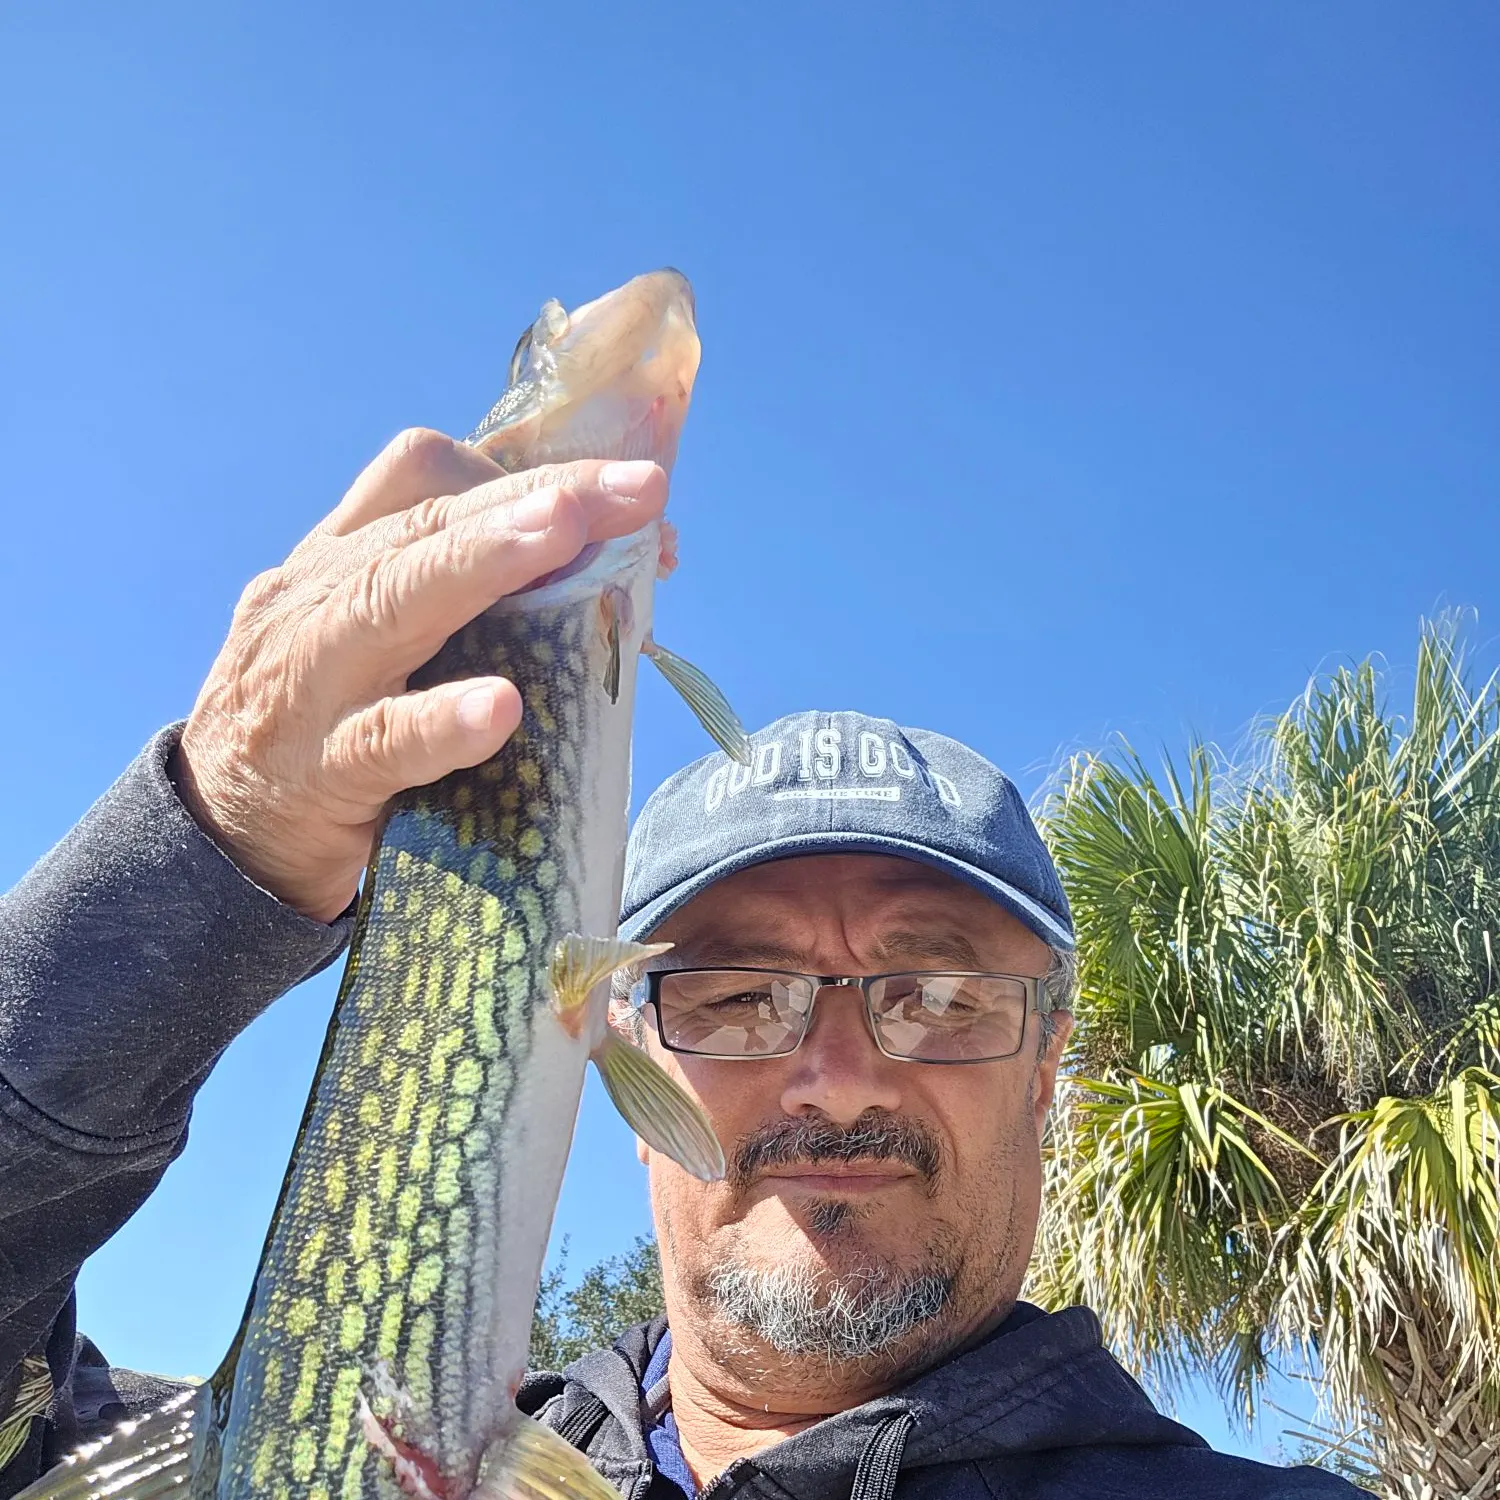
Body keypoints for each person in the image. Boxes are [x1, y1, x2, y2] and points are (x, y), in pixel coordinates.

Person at [0, 432, 1362, 1498]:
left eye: (938, 998)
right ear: (618, 1048)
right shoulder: (337, 1444)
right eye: (736, 997)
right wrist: (208, 842)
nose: (832, 1076)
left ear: (1050, 1061)